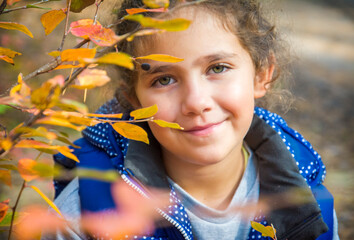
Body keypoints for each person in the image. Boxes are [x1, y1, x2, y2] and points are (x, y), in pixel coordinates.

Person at [48, 0, 339, 239]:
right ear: (134, 100)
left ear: (261, 75)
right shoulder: (84, 213)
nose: (196, 103)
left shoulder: (306, 200)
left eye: (218, 68)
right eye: (164, 80)